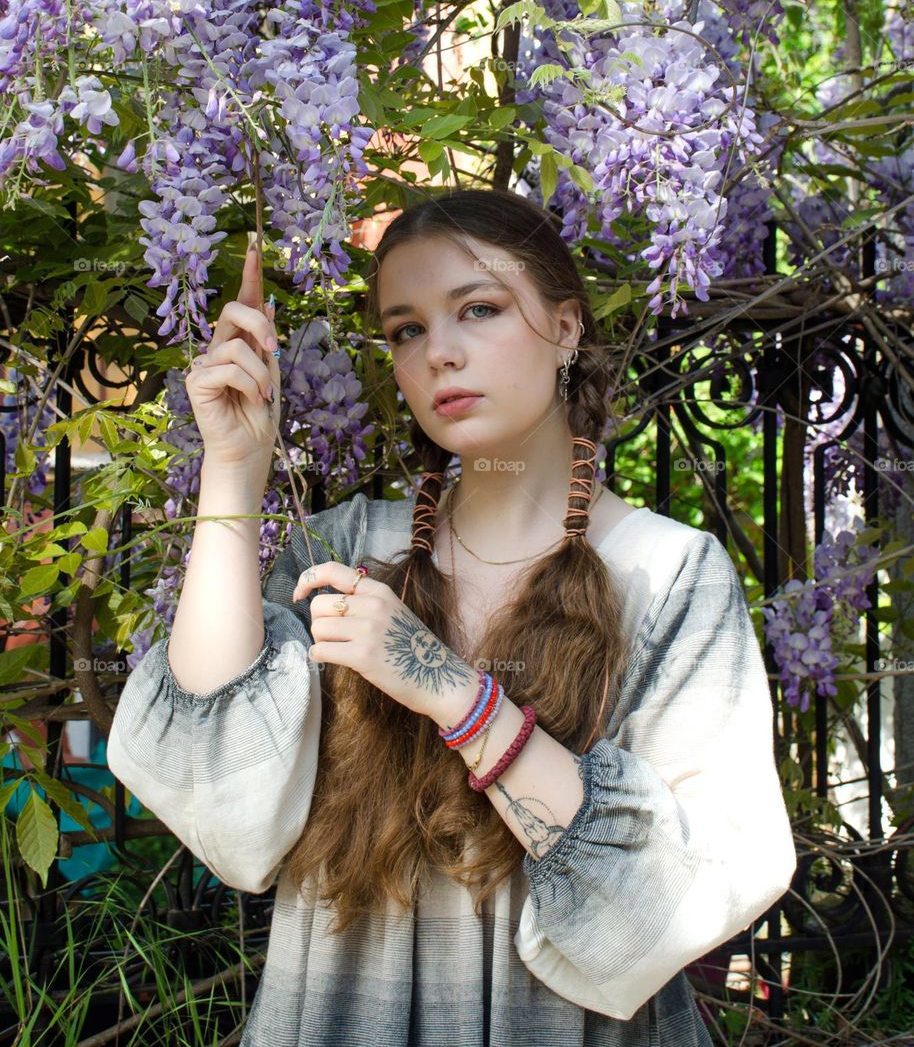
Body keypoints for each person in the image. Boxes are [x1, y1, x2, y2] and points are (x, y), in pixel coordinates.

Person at [106, 187, 797, 1046]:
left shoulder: (668, 573)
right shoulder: (353, 542)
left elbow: (688, 889)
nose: (441, 353)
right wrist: (233, 468)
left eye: (478, 309)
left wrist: (451, 694)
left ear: (568, 327)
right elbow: (218, 776)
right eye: (408, 330)